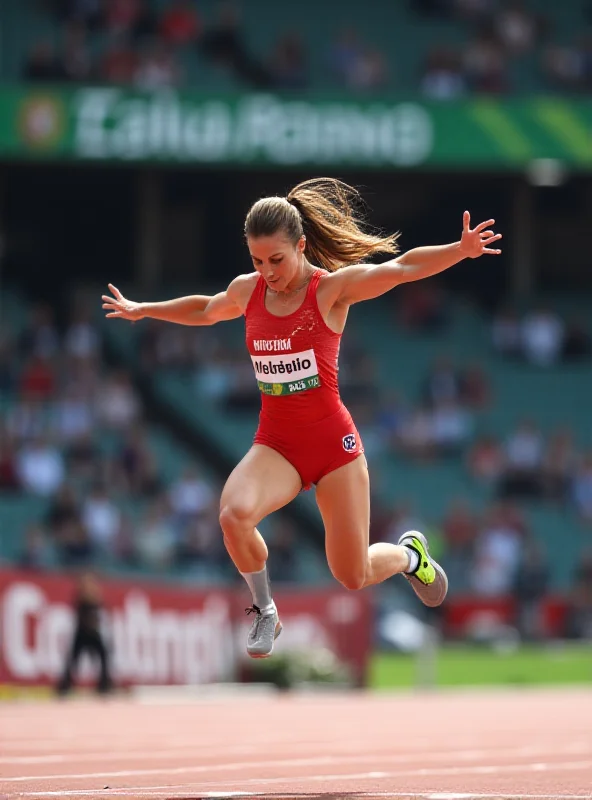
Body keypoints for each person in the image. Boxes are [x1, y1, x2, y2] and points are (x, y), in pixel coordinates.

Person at [102, 177, 502, 658]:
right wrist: (144, 309)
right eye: (256, 260)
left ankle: (408, 555)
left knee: (352, 575)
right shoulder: (248, 292)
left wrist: (460, 250)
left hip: (335, 449)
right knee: (233, 517)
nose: (267, 271)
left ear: (301, 246)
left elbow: (400, 269)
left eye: (277, 259)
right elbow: (207, 310)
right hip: (277, 445)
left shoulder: (331, 290)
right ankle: (265, 610)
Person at [56, 572, 113, 695]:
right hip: (82, 633)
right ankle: (64, 686)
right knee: (73, 659)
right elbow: (80, 615)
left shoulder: (96, 600)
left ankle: (104, 685)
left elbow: (100, 616)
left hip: (93, 633)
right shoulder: (81, 600)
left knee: (103, 656)